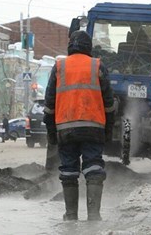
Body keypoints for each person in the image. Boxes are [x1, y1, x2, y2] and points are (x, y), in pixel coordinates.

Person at [43, 30, 115, 221]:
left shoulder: (59, 66)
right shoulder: (97, 66)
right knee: (94, 168)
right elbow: (109, 104)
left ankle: (71, 216)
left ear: (70, 46)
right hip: (93, 126)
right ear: (88, 47)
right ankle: (94, 216)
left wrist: (51, 133)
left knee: (68, 171)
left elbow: (49, 104)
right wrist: (108, 131)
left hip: (65, 128)